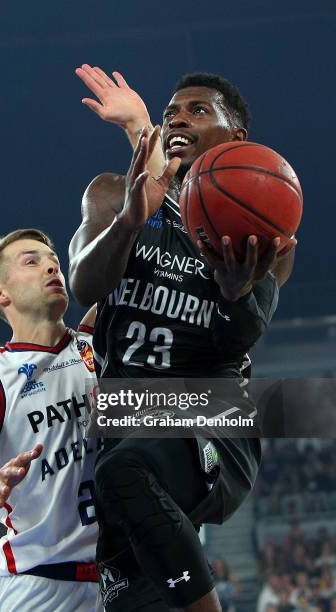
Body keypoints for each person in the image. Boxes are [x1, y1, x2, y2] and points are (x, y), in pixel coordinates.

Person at [70, 66, 297, 611]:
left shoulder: (262, 216)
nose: (179, 118)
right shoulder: (112, 194)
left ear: (237, 138)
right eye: (172, 111)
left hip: (213, 407)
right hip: (126, 416)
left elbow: (239, 340)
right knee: (133, 594)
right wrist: (126, 223)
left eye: (198, 110)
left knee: (123, 470)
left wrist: (237, 291)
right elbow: (84, 286)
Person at [0, 228, 102, 612]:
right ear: (0, 293)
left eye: (54, 261)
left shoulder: (100, 339)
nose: (51, 267)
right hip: (40, 584)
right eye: (32, 261)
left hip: (124, 577)